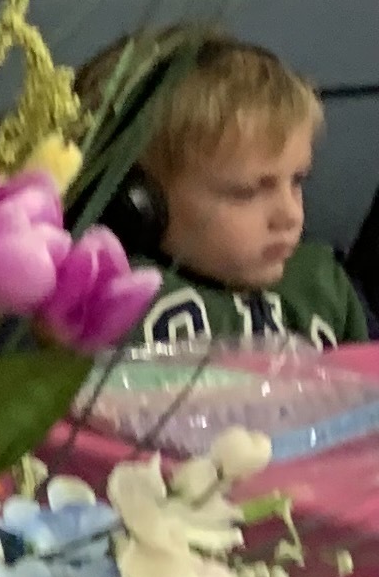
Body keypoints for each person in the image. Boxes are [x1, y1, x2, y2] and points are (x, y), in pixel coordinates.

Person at [113, 36, 373, 347]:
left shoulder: (322, 285)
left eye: (298, 181)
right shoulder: (118, 297)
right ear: (141, 204)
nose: (290, 216)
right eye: (247, 192)